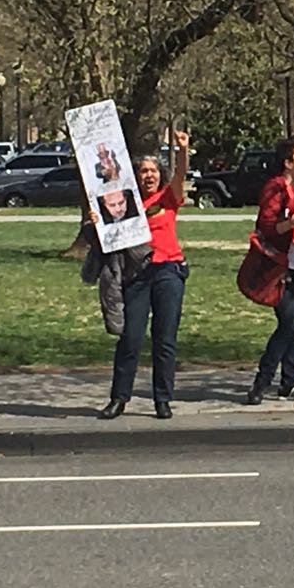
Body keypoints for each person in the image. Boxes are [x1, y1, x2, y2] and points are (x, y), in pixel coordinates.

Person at [98, 130, 190, 421]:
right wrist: (95, 221)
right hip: (137, 274)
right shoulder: (124, 203)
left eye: (153, 171)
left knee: (165, 339)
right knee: (131, 338)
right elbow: (106, 232)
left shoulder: (168, 197)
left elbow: (180, 175)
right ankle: (118, 399)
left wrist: (182, 150)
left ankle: (162, 399)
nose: (148, 175)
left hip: (168, 271)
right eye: (143, 171)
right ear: (135, 176)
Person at [248, 138, 294, 405]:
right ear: (288, 163)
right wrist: (288, 224)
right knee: (288, 323)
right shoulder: (276, 188)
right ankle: (262, 381)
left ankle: (290, 382)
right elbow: (266, 226)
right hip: (282, 267)